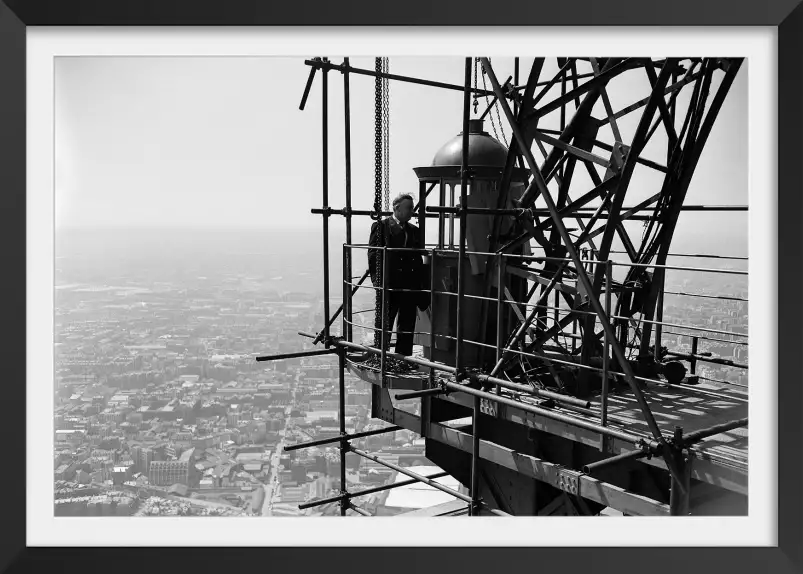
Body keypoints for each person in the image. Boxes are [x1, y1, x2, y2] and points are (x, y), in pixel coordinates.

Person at [368, 193, 427, 357]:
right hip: (390, 284)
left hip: (409, 286)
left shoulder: (414, 231)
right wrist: (377, 282)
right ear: (397, 208)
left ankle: (403, 359)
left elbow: (417, 259)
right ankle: (381, 357)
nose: (411, 212)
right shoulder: (381, 227)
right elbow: (373, 256)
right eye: (408, 208)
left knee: (407, 325)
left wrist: (420, 285)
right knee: (385, 322)